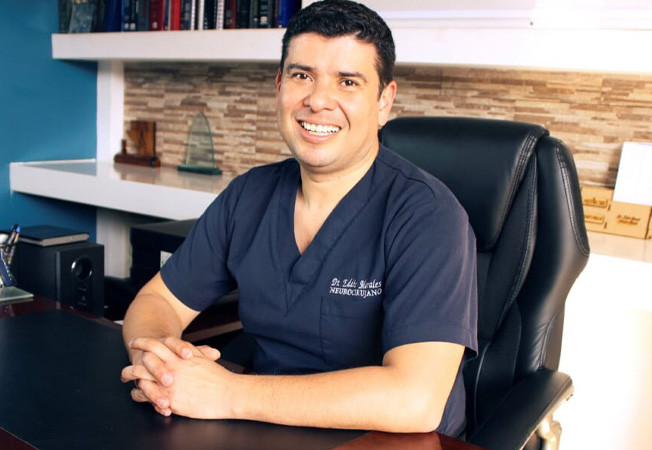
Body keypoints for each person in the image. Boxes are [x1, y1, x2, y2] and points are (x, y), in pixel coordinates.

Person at [120, 0, 478, 437]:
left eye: (347, 82)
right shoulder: (249, 195)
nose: (318, 100)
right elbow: (157, 302)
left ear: (384, 102)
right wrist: (159, 368)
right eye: (302, 76)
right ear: (279, 86)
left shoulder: (429, 216)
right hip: (266, 427)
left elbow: (415, 400)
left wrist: (227, 393)